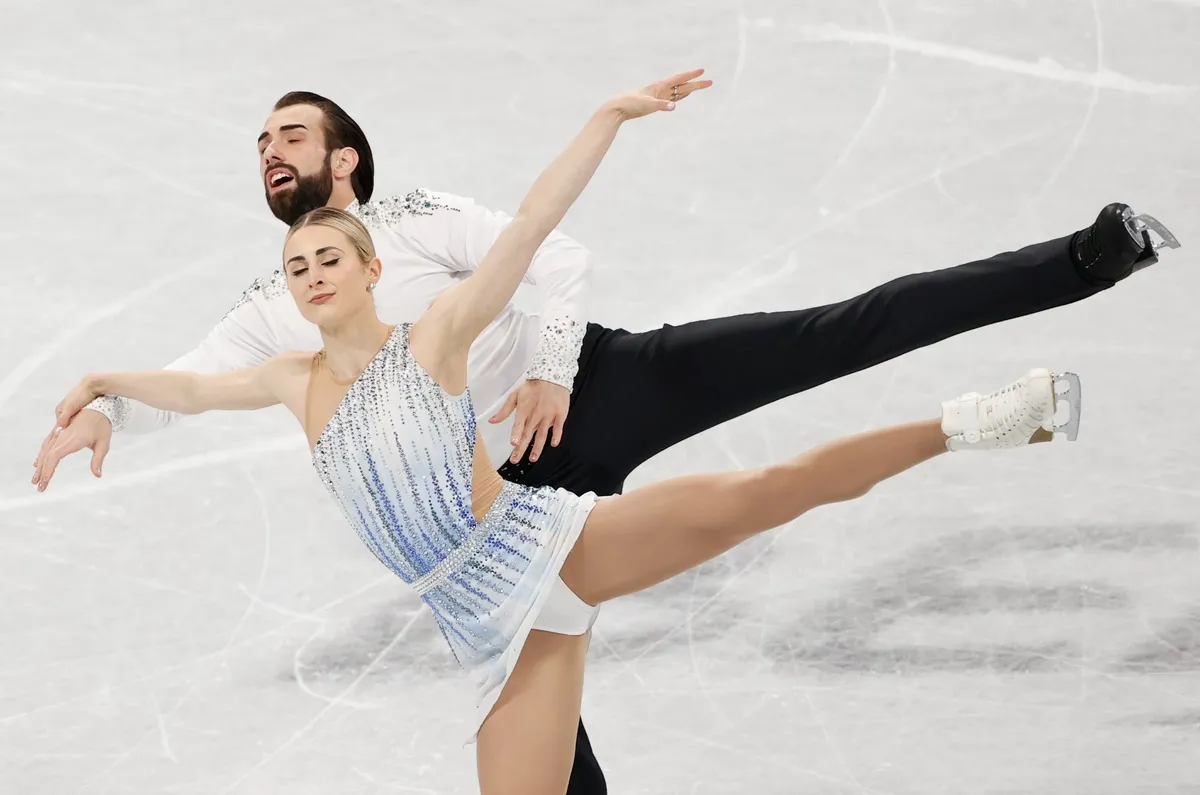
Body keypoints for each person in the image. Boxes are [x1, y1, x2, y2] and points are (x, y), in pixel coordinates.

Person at [31, 69, 1180, 794]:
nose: (270, 153)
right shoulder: (275, 323)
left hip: (589, 395)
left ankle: (1076, 269)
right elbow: (192, 385)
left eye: (291, 135)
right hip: (508, 517)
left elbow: (549, 244)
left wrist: (549, 366)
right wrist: (102, 405)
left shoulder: (419, 236)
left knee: (824, 354)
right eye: (260, 145)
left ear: (347, 164)